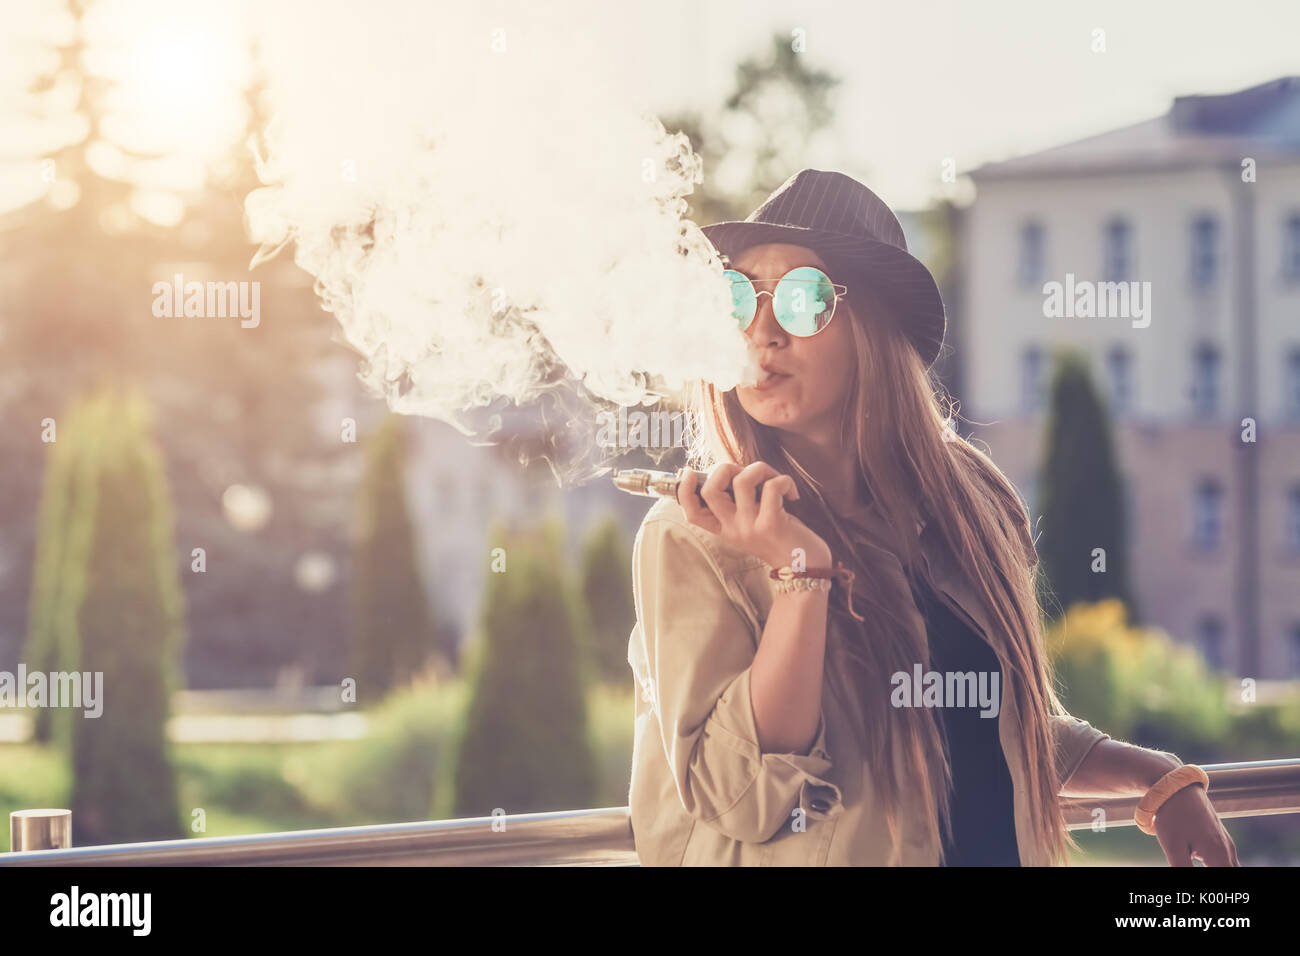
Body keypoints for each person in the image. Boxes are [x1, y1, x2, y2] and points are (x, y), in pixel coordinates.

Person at [626, 168, 1238, 866]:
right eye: (739, 299)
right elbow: (741, 797)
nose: (762, 331)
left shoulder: (966, 499)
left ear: (876, 327)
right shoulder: (693, 535)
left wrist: (1156, 775)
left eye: (803, 300)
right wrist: (802, 577)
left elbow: (994, 722)